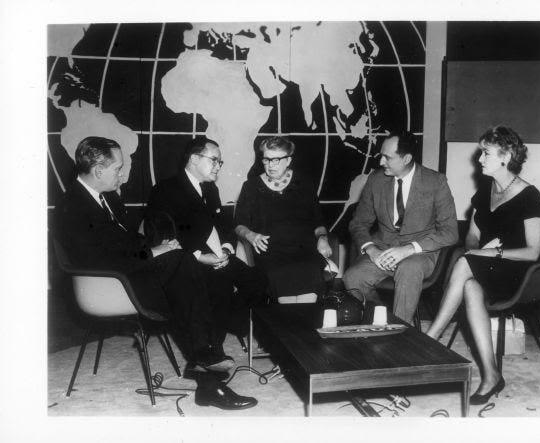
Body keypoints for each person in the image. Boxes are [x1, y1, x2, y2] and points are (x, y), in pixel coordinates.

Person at [54, 136, 257, 411]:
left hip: (131, 270)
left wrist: (159, 247)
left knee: (200, 272)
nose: (122, 175)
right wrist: (153, 253)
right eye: (118, 169)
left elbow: (123, 241)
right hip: (110, 285)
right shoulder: (72, 206)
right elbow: (98, 258)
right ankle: (207, 362)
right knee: (189, 271)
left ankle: (206, 368)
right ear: (99, 171)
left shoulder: (107, 199)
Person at [425, 126, 540, 404]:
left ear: (506, 156)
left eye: (486, 153)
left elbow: (532, 252)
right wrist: (480, 251)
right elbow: (471, 238)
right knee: (469, 283)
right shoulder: (486, 191)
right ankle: (491, 375)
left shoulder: (530, 197)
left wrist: (492, 253)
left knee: (467, 264)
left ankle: (430, 339)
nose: (479, 159)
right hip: (488, 266)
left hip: (522, 272)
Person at [146, 136, 267, 340]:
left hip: (219, 257)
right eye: (214, 160)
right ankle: (212, 350)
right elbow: (163, 236)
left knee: (259, 281)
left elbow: (224, 225)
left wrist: (227, 250)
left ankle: (227, 320)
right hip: (186, 263)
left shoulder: (211, 189)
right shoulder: (165, 190)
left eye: (220, 161)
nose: (218, 166)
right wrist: (200, 257)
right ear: (194, 159)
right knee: (220, 285)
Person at [343, 130, 459, 322]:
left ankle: (401, 337)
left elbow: (450, 232)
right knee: (352, 277)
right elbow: (359, 223)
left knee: (409, 269)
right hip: (383, 250)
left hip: (420, 254)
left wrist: (409, 249)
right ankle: (382, 319)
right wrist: (371, 249)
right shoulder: (376, 180)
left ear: (406, 159)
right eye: (381, 156)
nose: (381, 162)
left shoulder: (436, 182)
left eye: (387, 158)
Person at [234, 136, 333, 302]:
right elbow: (239, 224)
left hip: (304, 249)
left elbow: (318, 223)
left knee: (309, 273)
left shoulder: (304, 184)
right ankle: (288, 324)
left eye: (277, 160)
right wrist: (251, 235)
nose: (271, 165)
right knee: (279, 275)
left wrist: (323, 239)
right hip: (270, 250)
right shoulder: (251, 186)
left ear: (288, 160)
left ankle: (304, 323)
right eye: (267, 159)